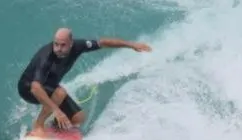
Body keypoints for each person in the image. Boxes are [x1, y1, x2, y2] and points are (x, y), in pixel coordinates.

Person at [17, 27, 151, 134]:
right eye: (56, 44)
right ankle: (38, 125)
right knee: (60, 93)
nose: (58, 48)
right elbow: (35, 87)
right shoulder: (46, 56)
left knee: (78, 118)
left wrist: (131, 44)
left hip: (49, 87)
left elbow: (103, 42)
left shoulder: (78, 46)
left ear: (71, 43)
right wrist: (57, 111)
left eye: (63, 45)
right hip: (28, 89)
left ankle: (55, 126)